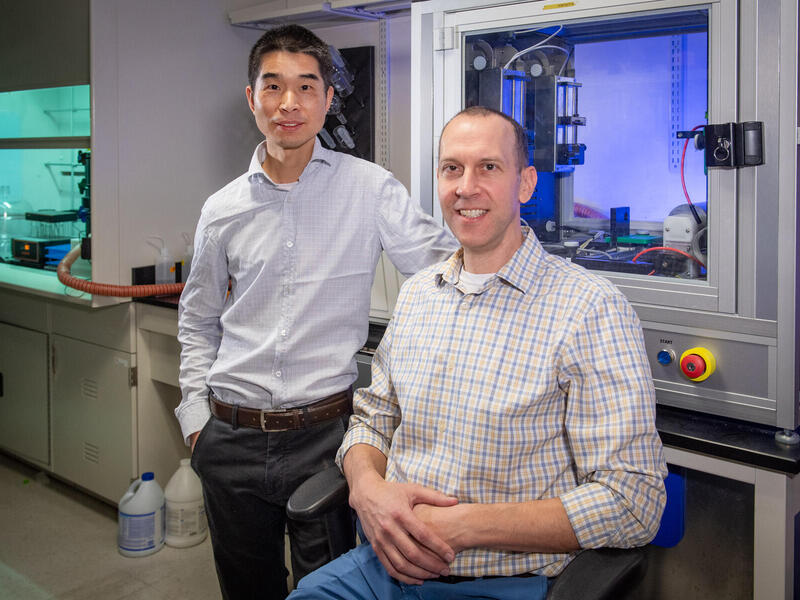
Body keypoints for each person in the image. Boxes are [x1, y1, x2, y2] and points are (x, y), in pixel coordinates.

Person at [289, 106, 668, 600]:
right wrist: (368, 490)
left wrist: (465, 527)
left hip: (503, 581)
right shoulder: (421, 292)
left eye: (489, 167)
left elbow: (634, 501)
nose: (466, 187)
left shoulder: (589, 309)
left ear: (526, 183)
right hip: (381, 565)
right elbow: (372, 421)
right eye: (452, 169)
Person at [176, 24, 457, 600]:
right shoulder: (222, 208)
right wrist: (195, 420)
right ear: (251, 97)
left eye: (307, 87)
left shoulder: (369, 188)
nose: (289, 103)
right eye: (272, 86)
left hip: (326, 437)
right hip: (230, 432)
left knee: (330, 591)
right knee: (246, 589)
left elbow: (441, 269)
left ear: (328, 100)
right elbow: (198, 317)